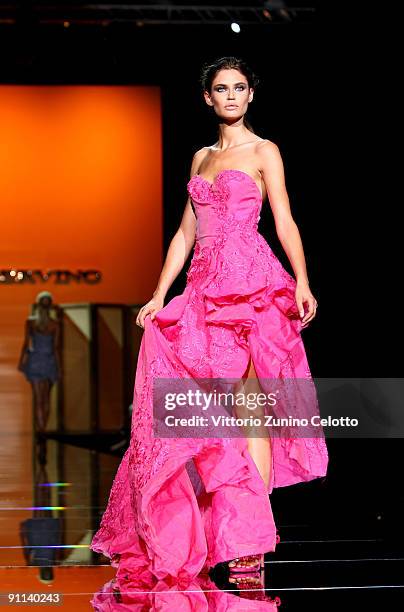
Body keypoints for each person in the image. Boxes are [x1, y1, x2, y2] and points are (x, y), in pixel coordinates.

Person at [90, 56, 328, 589]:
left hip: (251, 286)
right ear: (208, 98)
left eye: (240, 88)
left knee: (252, 410)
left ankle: (251, 542)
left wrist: (303, 280)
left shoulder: (265, 150)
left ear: (250, 95)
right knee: (200, 412)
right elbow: (184, 233)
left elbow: (285, 217)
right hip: (202, 290)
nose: (232, 96)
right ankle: (205, 526)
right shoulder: (200, 157)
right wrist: (159, 294)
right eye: (222, 89)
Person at [18, 291, 61, 433]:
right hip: (49, 361)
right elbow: (55, 348)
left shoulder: (31, 322)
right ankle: (43, 429)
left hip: (35, 361)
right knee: (46, 397)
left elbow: (26, 343)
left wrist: (21, 361)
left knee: (38, 398)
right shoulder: (54, 324)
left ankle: (41, 430)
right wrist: (58, 367)